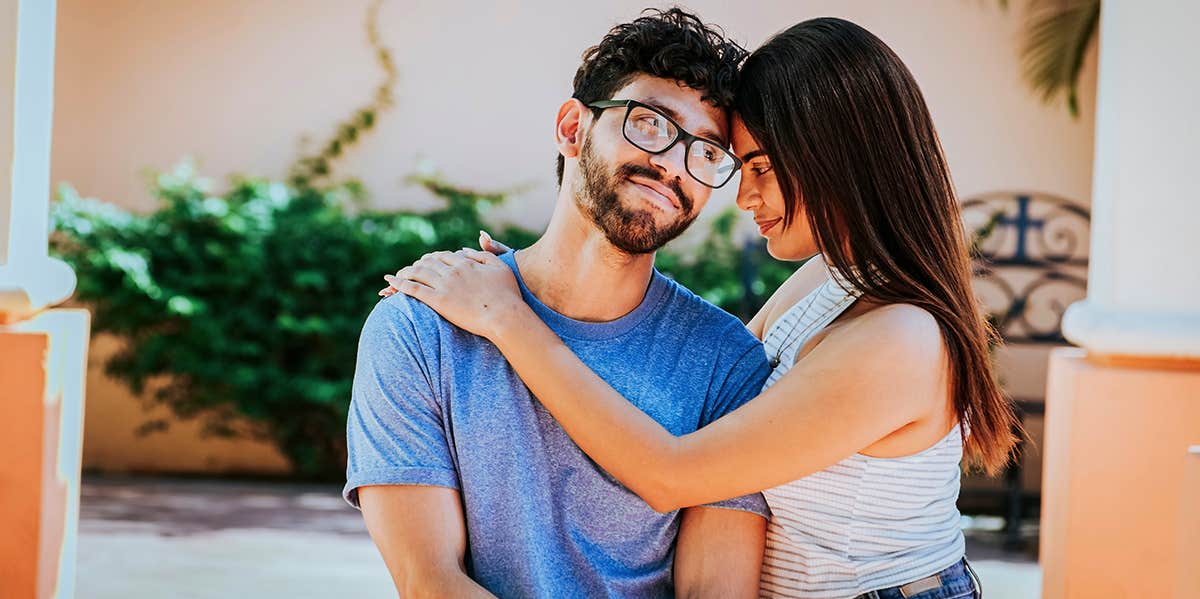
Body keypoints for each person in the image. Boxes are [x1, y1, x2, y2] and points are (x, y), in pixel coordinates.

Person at [386, 16, 1019, 599]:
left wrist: (507, 316)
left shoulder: (901, 338)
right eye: (739, 164)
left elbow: (672, 472)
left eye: (763, 166)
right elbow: (705, 391)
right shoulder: (827, 283)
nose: (743, 195)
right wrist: (522, 283)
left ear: (840, 160)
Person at [344, 8, 775, 598]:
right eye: (650, 124)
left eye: (706, 152)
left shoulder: (727, 363)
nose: (674, 164)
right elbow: (431, 581)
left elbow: (713, 592)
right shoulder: (419, 327)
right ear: (573, 128)